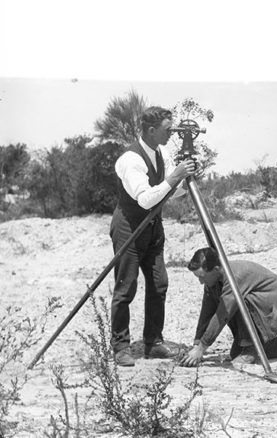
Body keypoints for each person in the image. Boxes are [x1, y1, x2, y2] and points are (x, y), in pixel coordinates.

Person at [110, 106, 199, 367]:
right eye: (167, 129)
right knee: (126, 288)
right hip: (129, 226)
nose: (172, 133)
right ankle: (121, 346)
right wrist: (174, 177)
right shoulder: (131, 160)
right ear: (151, 130)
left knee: (159, 283)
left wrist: (187, 176)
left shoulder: (162, 153)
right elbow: (147, 198)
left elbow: (174, 191)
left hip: (153, 228)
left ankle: (153, 342)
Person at [179, 247, 277, 367]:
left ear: (216, 269)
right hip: (259, 305)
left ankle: (250, 350)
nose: (200, 282)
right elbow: (207, 311)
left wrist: (202, 347)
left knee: (238, 302)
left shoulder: (233, 277)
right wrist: (196, 345)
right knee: (236, 353)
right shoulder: (213, 279)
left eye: (202, 277)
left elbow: (223, 314)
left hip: (276, 301)